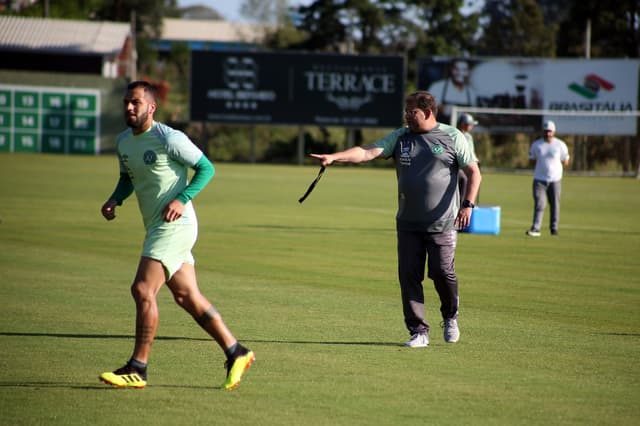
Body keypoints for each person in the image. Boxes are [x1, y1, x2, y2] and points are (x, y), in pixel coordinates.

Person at [99, 81, 254, 390]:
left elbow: (206, 169)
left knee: (143, 290)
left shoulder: (169, 138)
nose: (129, 107)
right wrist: (116, 198)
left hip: (175, 226)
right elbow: (127, 177)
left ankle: (138, 368)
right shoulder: (123, 141)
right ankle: (236, 351)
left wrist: (181, 199)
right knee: (186, 296)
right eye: (126, 102)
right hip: (157, 226)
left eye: (136, 103)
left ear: (151, 107)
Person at [310, 91, 481, 347]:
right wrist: (334, 157)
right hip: (408, 223)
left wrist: (467, 205)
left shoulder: (453, 136)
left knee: (442, 273)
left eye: (411, 111)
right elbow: (367, 152)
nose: (407, 116)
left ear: (427, 112)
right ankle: (418, 332)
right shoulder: (401, 137)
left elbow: (474, 172)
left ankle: (450, 316)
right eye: (406, 111)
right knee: (409, 277)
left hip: (442, 223)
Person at [526, 120, 570, 237]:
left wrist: (555, 168)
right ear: (542, 132)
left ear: (553, 132)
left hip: (555, 180)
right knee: (540, 203)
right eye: (546, 131)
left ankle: (554, 228)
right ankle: (536, 228)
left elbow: (565, 160)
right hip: (539, 179)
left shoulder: (560, 145)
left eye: (550, 131)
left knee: (555, 204)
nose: (548, 134)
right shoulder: (536, 145)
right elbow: (532, 160)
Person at [428, 59, 477, 124]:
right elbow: (428, 106)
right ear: (451, 70)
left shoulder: (471, 92)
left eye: (464, 70)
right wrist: (444, 109)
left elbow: (474, 113)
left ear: (469, 72)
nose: (460, 73)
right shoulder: (437, 87)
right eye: (457, 69)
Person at [456, 113, 479, 202]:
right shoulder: (455, 135)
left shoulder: (469, 137)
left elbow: (471, 152)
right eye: (470, 124)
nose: (472, 126)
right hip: (460, 168)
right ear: (463, 124)